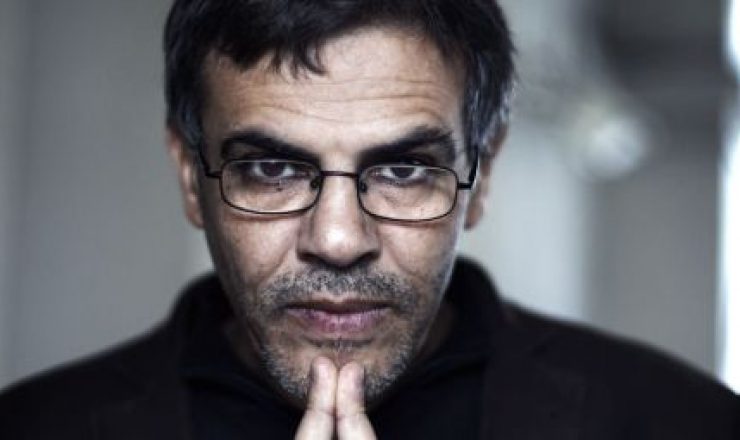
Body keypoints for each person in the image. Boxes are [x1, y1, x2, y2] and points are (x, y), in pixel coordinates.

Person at [1, 0, 738, 438]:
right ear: (192, 177)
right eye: (272, 169)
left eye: (403, 170)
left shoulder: (682, 423)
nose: (338, 240)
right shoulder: (33, 428)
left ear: (481, 176)